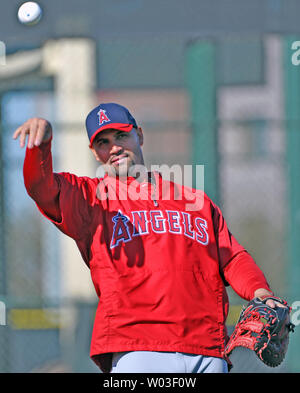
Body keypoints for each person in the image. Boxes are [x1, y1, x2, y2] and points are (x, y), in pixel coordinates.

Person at [13, 102, 282, 373]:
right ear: (95, 153)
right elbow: (42, 188)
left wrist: (260, 292)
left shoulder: (195, 202)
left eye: (121, 136)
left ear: (139, 135)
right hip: (139, 348)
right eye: (103, 142)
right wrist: (41, 146)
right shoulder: (91, 200)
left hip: (206, 348)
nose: (115, 147)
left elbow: (231, 256)